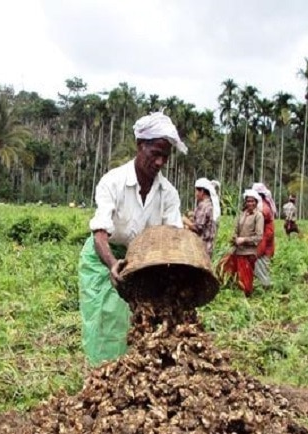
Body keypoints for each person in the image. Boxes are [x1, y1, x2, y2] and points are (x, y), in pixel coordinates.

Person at [78, 111, 188, 366]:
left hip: (141, 260)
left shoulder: (168, 194)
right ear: (140, 146)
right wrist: (112, 264)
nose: (160, 162)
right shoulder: (113, 182)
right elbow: (101, 232)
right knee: (105, 320)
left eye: (165, 157)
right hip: (103, 256)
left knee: (143, 320)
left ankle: (133, 372)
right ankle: (101, 376)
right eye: (155, 154)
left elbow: (173, 237)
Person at [216, 189, 264, 297]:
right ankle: (231, 290)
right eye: (248, 201)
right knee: (224, 268)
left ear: (256, 202)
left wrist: (244, 239)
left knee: (245, 278)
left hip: (248, 252)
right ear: (245, 202)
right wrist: (234, 238)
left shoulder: (258, 216)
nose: (250, 203)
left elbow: (259, 236)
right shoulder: (242, 215)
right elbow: (236, 230)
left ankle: (246, 296)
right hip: (237, 250)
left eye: (252, 201)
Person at [183, 177, 220, 259]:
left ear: (202, 192)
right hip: (208, 247)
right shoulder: (209, 204)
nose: (195, 193)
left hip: (201, 247)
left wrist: (185, 221)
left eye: (196, 191)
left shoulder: (204, 206)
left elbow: (198, 228)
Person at [251, 182, 276, 289]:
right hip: (263, 244)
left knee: (260, 267)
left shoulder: (263, 209)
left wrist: (257, 251)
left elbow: (264, 235)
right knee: (260, 267)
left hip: (264, 245)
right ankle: (263, 286)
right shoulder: (262, 206)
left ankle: (266, 287)